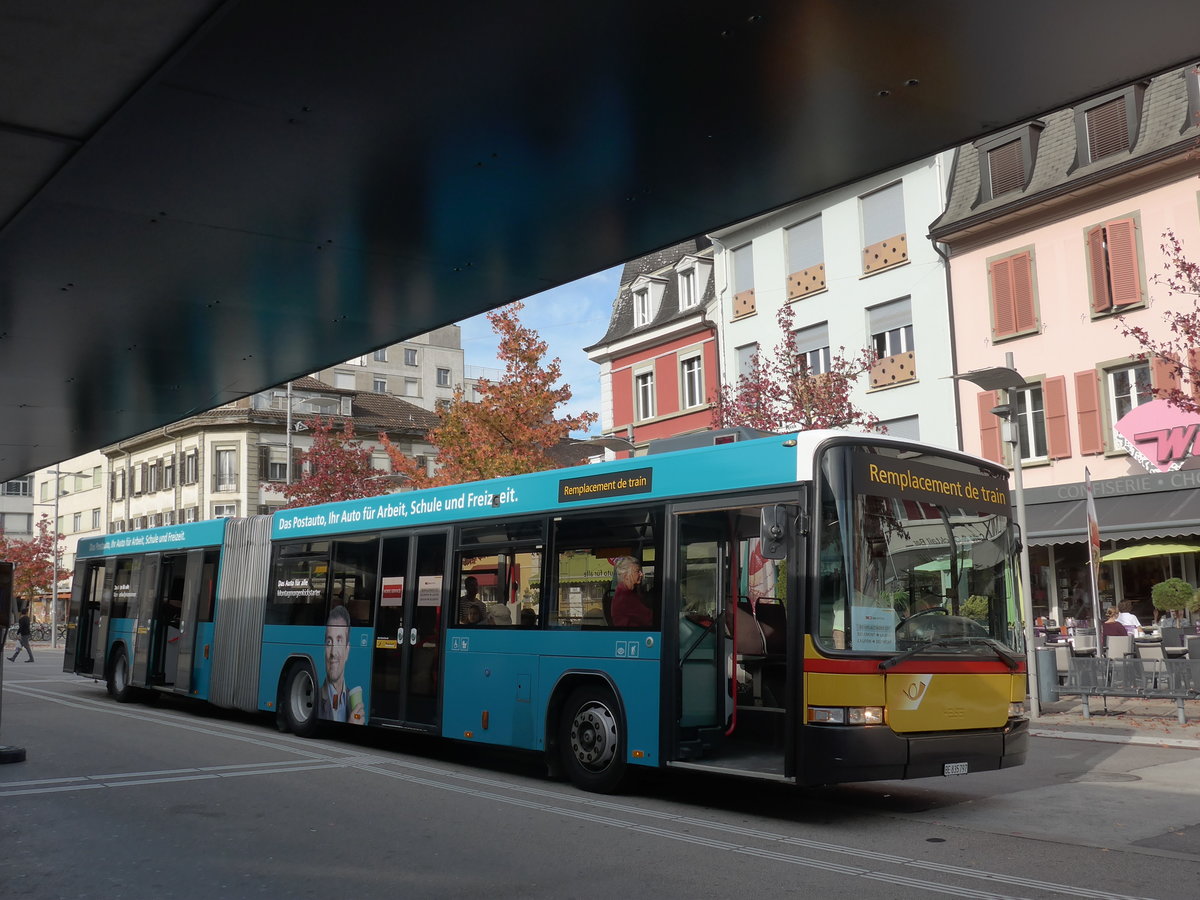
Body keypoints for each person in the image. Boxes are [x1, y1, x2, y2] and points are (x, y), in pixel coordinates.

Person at [319, 605, 363, 724]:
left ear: (347, 650)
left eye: (339, 641)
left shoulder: (353, 701)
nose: (333, 652)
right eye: (329, 642)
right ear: (324, 649)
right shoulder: (316, 699)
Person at [610, 557, 652, 628]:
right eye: (637, 571)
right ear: (626, 576)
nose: (641, 574)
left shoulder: (626, 592)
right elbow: (648, 618)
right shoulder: (625, 596)